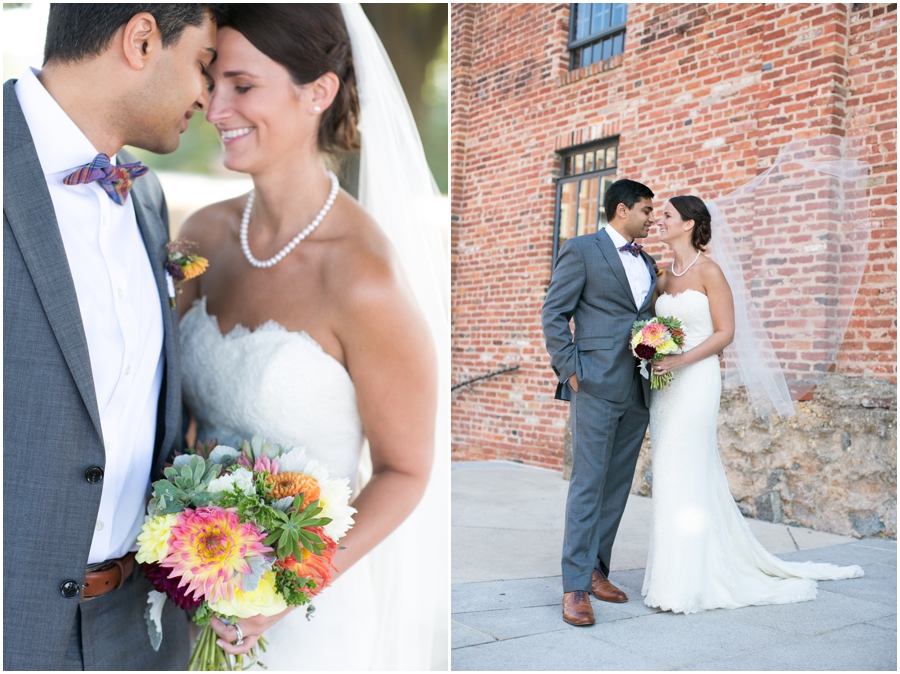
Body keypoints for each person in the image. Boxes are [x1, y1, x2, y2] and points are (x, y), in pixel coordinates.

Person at [175, 4, 445, 669]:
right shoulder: (200, 237)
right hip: (188, 589)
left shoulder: (363, 279)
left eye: (242, 86)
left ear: (318, 93)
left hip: (307, 619)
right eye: (211, 81)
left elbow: (405, 472)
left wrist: (289, 587)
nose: (214, 107)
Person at [3, 4, 219, 670]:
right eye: (203, 65)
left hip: (139, 631)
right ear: (143, 39)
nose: (205, 98)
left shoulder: (147, 202)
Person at [642, 195, 864, 613]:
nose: (659, 220)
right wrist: (652, 351)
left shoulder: (710, 271)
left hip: (696, 379)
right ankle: (671, 574)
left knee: (689, 471)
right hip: (665, 385)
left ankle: (691, 583)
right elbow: (654, 325)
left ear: (688, 224)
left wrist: (681, 359)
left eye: (667, 215)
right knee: (670, 474)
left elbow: (725, 333)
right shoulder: (662, 275)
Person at [541, 179, 658, 626]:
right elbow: (554, 311)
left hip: (638, 387)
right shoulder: (583, 249)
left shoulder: (647, 262)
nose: (651, 218)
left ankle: (596, 570)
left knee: (616, 484)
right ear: (623, 209)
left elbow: (643, 318)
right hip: (593, 384)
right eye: (646, 210)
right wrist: (570, 369)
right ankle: (573, 587)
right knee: (589, 482)